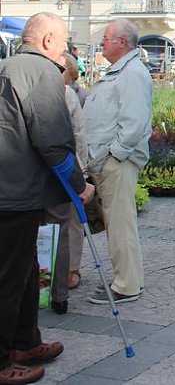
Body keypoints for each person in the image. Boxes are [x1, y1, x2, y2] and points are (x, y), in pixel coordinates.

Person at [0, 12, 94, 385]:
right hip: (15, 193)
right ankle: (4, 358)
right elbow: (54, 141)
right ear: (47, 40)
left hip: (15, 190)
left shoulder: (6, 65)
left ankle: (24, 341)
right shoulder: (41, 73)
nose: (66, 49)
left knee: (23, 274)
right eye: (64, 40)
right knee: (9, 279)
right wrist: (79, 185)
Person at [84, 19, 153, 305]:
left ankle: (126, 286)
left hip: (116, 162)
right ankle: (129, 279)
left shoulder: (132, 73)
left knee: (120, 224)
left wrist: (114, 153)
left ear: (122, 42)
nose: (102, 42)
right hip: (108, 160)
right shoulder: (122, 71)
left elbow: (134, 123)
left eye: (106, 38)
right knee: (119, 224)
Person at [61, 53, 89, 295]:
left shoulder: (70, 95)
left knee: (72, 217)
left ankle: (73, 268)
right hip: (63, 163)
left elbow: (79, 135)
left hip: (68, 164)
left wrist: (81, 171)